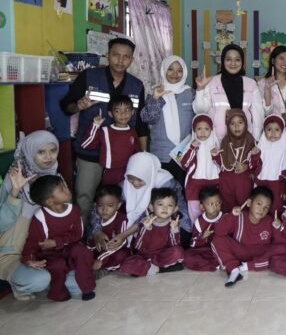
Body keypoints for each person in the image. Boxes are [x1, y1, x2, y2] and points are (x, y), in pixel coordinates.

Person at [60, 37, 148, 223]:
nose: (120, 60)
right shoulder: (89, 77)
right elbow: (66, 106)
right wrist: (78, 106)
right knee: (85, 197)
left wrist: (143, 156)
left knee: (120, 199)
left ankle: (114, 234)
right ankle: (83, 236)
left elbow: (140, 124)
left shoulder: (136, 85)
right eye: (116, 55)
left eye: (126, 57)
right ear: (107, 55)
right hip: (90, 153)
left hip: (123, 157)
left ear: (132, 60)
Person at [0, 131, 81, 300]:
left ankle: (56, 275)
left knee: (76, 286)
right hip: (13, 254)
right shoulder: (14, 179)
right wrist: (15, 192)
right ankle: (18, 284)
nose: (48, 157)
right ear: (30, 152)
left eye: (53, 150)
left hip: (47, 250)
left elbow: (68, 219)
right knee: (40, 280)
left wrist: (59, 244)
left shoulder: (56, 179)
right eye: (41, 152)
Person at [89, 152, 192, 250]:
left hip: (166, 222)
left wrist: (123, 235)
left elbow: (146, 215)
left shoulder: (165, 183)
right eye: (130, 178)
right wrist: (97, 231)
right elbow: (100, 204)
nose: (135, 183)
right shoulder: (125, 185)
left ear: (148, 174)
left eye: (140, 179)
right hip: (143, 225)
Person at [21, 175, 96, 301]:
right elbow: (33, 242)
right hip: (50, 255)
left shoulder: (73, 210)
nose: (67, 189)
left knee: (82, 252)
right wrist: (29, 259)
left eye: (65, 186)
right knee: (57, 265)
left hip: (70, 249)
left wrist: (57, 242)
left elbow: (78, 234)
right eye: (62, 189)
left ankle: (87, 288)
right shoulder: (40, 217)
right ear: (50, 201)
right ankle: (57, 293)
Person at [211, 186, 286, 287]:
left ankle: (246, 266)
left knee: (283, 249)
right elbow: (219, 231)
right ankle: (233, 269)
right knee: (217, 240)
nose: (261, 209)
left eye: (266, 207)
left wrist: (278, 227)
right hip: (239, 251)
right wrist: (232, 215)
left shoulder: (270, 220)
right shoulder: (239, 216)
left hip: (260, 254)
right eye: (259, 204)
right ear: (249, 203)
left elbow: (280, 243)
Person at [140, 55, 196, 186]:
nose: (175, 74)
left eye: (179, 70)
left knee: (184, 189)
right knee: (163, 191)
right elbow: (148, 119)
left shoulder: (191, 93)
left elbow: (200, 117)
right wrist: (156, 98)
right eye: (170, 69)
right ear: (164, 70)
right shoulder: (155, 92)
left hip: (185, 153)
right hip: (161, 153)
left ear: (184, 72)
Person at [194, 43, 264, 140]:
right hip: (217, 141)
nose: (233, 63)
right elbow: (200, 111)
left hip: (244, 141)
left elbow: (258, 115)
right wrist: (200, 88)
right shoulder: (211, 82)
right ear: (223, 61)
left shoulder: (251, 84)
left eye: (237, 60)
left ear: (242, 62)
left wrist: (255, 140)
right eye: (228, 59)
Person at [119, 188, 185, 276]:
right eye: (160, 204)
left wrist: (174, 230)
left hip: (160, 256)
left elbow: (174, 246)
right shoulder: (146, 222)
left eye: (170, 205)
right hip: (144, 257)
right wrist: (145, 228)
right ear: (151, 207)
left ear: (175, 209)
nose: (165, 208)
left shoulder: (173, 223)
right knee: (126, 265)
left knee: (178, 252)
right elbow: (138, 246)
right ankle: (160, 269)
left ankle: (148, 269)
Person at [81, 95, 140, 186]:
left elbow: (136, 152)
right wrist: (95, 125)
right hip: (111, 173)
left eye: (127, 110)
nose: (123, 114)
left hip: (130, 171)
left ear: (132, 112)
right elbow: (86, 145)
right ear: (110, 114)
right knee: (110, 194)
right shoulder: (105, 131)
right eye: (117, 111)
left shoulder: (133, 132)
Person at [250, 115, 286, 215]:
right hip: (261, 182)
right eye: (269, 129)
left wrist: (285, 187)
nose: (273, 133)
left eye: (277, 129)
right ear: (264, 131)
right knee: (260, 207)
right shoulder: (260, 146)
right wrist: (255, 156)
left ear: (282, 131)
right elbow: (253, 167)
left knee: (275, 207)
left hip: (278, 184)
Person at [214, 109, 255, 213]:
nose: (237, 126)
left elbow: (256, 163)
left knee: (244, 208)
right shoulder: (225, 141)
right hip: (226, 181)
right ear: (228, 126)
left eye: (240, 123)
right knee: (228, 209)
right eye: (232, 124)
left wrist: (246, 166)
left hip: (243, 181)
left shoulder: (250, 140)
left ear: (245, 123)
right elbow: (221, 163)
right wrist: (215, 156)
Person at [180, 114, 220, 221]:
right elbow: (185, 164)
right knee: (195, 215)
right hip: (194, 185)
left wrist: (216, 156)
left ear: (211, 130)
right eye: (199, 129)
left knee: (213, 212)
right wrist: (193, 148)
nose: (202, 132)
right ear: (194, 130)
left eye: (206, 129)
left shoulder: (216, 145)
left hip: (212, 185)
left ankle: (212, 232)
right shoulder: (190, 146)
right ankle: (196, 231)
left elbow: (222, 168)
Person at [87, 185, 129, 273]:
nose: (104, 210)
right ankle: (96, 266)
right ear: (95, 205)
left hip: (114, 251)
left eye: (110, 206)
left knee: (121, 256)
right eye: (100, 205)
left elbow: (120, 243)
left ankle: (103, 268)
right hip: (100, 251)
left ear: (118, 205)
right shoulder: (96, 219)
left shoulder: (121, 219)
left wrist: (101, 259)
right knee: (83, 252)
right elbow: (90, 243)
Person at [184, 187, 226, 271]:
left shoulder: (225, 217)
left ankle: (219, 262)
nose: (215, 206)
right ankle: (215, 266)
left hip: (221, 250)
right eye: (211, 204)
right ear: (202, 207)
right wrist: (202, 236)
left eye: (218, 203)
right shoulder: (199, 222)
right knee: (187, 256)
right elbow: (192, 244)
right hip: (206, 250)